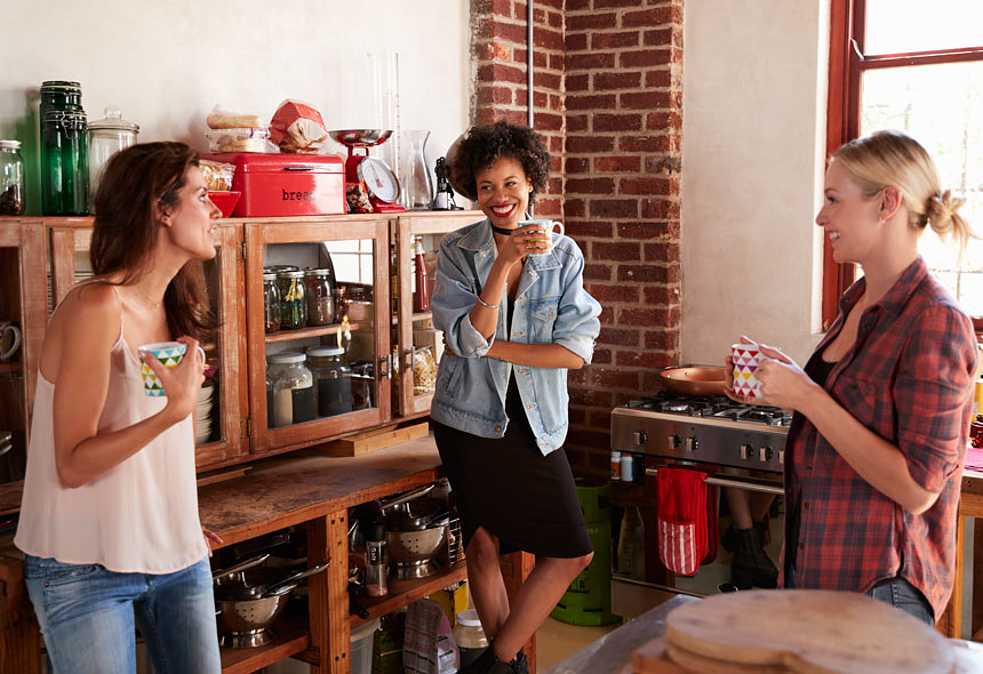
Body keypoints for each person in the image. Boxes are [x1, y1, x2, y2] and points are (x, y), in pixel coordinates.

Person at [726, 130, 977, 624]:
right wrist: (797, 383)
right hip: (819, 574)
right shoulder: (859, 303)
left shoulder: (934, 320)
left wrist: (807, 396)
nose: (822, 217)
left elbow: (917, 488)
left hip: (880, 590)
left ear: (887, 203)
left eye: (833, 200)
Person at [15, 142, 224, 673]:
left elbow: (153, 450)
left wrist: (176, 521)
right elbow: (73, 461)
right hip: (83, 565)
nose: (215, 209)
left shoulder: (173, 305)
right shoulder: (95, 307)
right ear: (161, 208)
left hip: (174, 556)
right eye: (201, 195)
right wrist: (170, 413)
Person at [432, 121, 601, 674]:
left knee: (572, 551)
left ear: (532, 183)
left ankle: (493, 663)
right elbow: (460, 338)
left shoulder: (564, 254)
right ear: (472, 192)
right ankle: (511, 667)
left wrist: (490, 347)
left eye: (510, 183)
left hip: (536, 422)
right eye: (485, 187)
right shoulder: (458, 251)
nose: (499, 198)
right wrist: (502, 264)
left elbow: (575, 351)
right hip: (466, 419)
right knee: (482, 544)